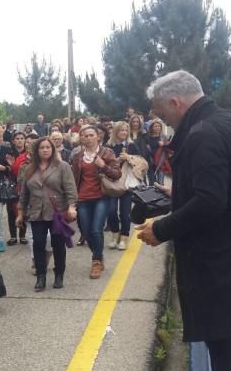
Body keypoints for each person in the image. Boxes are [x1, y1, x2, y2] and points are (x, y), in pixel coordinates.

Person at [136, 70, 231, 371]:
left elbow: (211, 201)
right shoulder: (220, 121)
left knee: (223, 345)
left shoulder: (201, 135)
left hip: (216, 261)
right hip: (221, 254)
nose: (164, 120)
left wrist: (163, 227)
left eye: (162, 112)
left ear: (175, 103)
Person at [16, 138, 77, 290]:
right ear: (37, 150)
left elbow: (70, 188)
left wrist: (71, 207)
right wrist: (20, 213)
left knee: (58, 244)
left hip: (57, 212)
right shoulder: (29, 169)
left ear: (53, 149)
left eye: (48, 147)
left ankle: (59, 274)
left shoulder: (62, 166)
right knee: (38, 243)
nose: (45, 150)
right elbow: (24, 194)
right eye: (42, 147)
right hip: (36, 212)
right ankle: (41, 276)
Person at [69, 126, 121, 280]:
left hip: (101, 197)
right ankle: (98, 254)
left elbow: (117, 174)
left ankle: (96, 262)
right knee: (86, 232)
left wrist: (103, 166)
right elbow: (72, 180)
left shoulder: (107, 153)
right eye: (84, 135)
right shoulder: (78, 156)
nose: (88, 138)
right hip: (83, 198)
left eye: (91, 135)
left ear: (98, 137)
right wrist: (71, 200)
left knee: (96, 230)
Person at [105, 121, 141, 251]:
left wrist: (129, 158)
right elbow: (103, 164)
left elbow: (141, 163)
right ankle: (115, 235)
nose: (124, 133)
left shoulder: (131, 146)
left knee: (125, 213)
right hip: (112, 183)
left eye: (126, 130)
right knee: (111, 211)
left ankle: (124, 237)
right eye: (121, 130)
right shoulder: (108, 146)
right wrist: (116, 161)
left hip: (126, 184)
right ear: (115, 131)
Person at [144, 119, 171, 185]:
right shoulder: (147, 137)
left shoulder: (163, 136)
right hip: (150, 162)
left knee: (160, 182)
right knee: (152, 182)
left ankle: (161, 195)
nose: (157, 128)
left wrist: (164, 143)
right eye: (155, 126)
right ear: (151, 127)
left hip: (160, 162)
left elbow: (169, 147)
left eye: (159, 126)